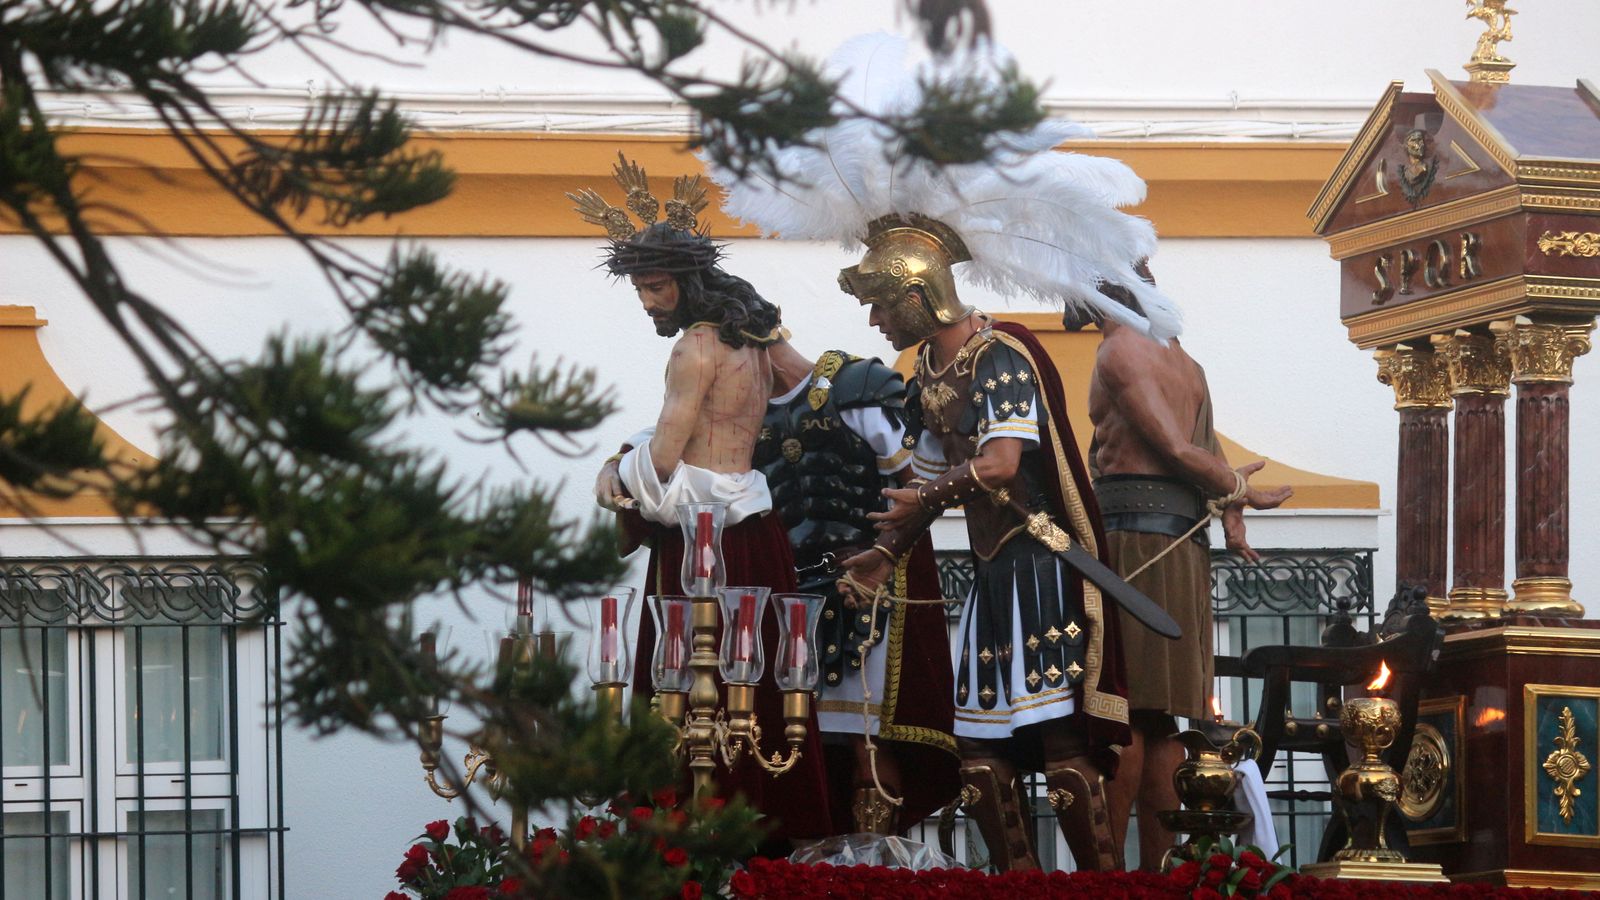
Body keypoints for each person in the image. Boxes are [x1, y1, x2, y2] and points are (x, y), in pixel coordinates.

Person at [829, 215, 1130, 871]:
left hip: (1043, 569)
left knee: (1061, 751)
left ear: (917, 295)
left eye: (881, 302)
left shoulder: (1001, 356)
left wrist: (926, 500)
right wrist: (885, 556)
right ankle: (1018, 883)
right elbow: (928, 483)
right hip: (993, 576)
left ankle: (1102, 887)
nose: (876, 319)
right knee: (980, 762)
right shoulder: (928, 372)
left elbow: (997, 464)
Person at [577, 157, 834, 841]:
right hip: (755, 530)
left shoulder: (693, 348)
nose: (646, 301)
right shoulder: (754, 337)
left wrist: (613, 468)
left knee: (683, 684)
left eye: (655, 286)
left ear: (685, 283)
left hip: (696, 537)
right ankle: (769, 816)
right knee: (758, 689)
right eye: (640, 287)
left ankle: (687, 830)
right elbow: (810, 384)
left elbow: (663, 457)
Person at [1080, 276, 1292, 869]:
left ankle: (1109, 877)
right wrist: (1231, 514)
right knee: (1160, 714)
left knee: (1121, 708)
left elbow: (1176, 448)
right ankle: (1156, 873)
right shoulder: (1186, 360)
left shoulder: (1121, 347)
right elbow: (1206, 451)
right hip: (1178, 546)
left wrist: (1238, 491)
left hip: (1135, 546)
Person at [754, 337, 958, 835]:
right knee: (801, 745)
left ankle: (873, 866)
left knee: (867, 738)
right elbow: (669, 433)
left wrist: (881, 560)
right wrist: (622, 457)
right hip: (792, 602)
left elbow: (917, 488)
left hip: (863, 586)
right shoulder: (739, 412)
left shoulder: (856, 387)